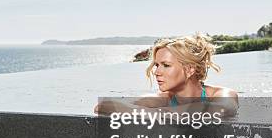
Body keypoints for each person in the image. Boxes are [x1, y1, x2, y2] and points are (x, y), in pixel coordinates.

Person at [95, 33, 238, 115]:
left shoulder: (220, 94)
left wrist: (149, 113)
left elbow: (223, 108)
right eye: (157, 65)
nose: (156, 72)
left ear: (189, 69)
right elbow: (103, 106)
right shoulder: (161, 99)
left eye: (166, 65)